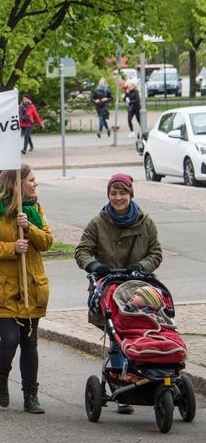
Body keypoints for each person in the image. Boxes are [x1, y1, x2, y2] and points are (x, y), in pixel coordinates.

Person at [74, 172, 162, 414]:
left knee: (142, 331)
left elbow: (156, 253)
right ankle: (122, 385)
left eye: (122, 193)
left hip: (139, 287)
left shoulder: (146, 223)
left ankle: (146, 376)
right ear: (108, 195)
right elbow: (82, 251)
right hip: (109, 287)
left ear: (130, 194)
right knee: (118, 336)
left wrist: (142, 267)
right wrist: (94, 266)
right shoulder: (98, 223)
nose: (118, 197)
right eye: (114, 193)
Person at [0, 164, 53, 414]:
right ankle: (1, 376)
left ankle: (31, 394)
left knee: (29, 343)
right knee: (10, 339)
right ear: (17, 184)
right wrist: (11, 248)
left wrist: (30, 227)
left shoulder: (35, 209)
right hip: (4, 287)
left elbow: (47, 242)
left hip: (31, 286)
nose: (35, 184)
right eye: (31, 180)